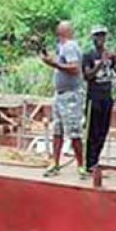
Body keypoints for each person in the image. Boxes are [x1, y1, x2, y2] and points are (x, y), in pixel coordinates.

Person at [40, 21, 86, 178]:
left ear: (62, 33)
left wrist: (53, 63)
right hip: (60, 95)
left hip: (70, 95)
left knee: (74, 131)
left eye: (58, 34)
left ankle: (81, 165)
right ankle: (56, 163)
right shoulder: (62, 48)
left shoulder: (69, 46)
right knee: (57, 130)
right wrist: (53, 61)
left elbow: (74, 68)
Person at [81, 25, 116, 172]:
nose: (100, 39)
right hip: (94, 97)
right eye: (97, 36)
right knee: (92, 130)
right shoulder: (88, 56)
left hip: (107, 96)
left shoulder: (109, 55)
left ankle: (95, 160)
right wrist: (100, 64)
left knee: (103, 130)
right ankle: (88, 162)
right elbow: (88, 76)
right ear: (93, 38)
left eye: (102, 36)